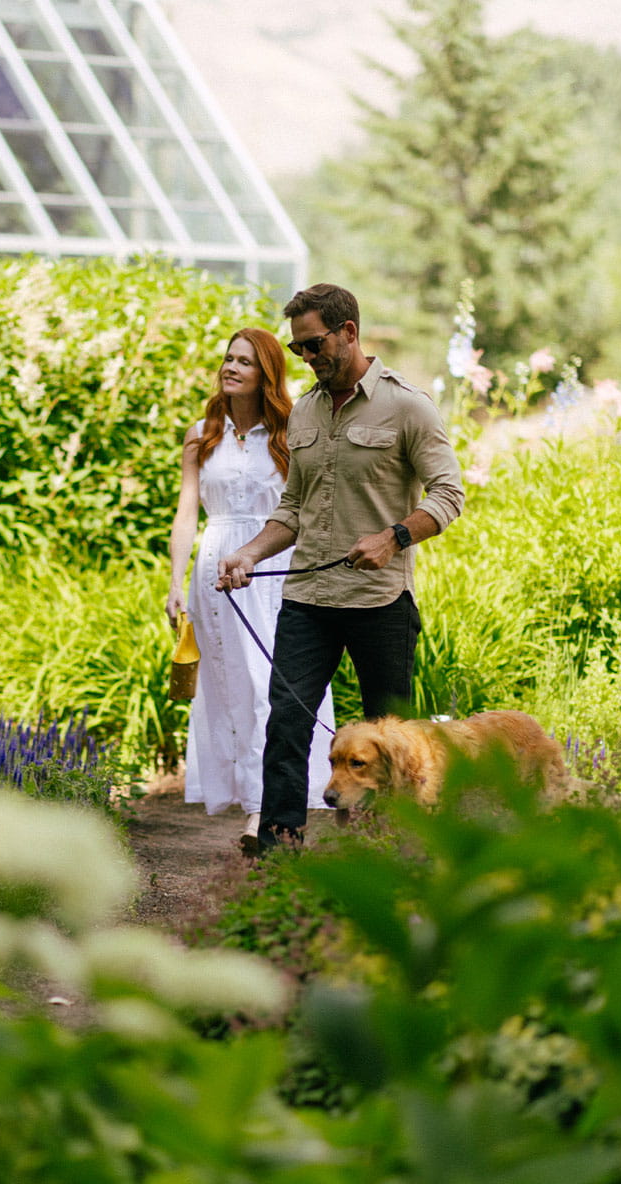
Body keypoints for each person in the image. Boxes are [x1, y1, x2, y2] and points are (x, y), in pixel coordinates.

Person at [217, 284, 464, 851]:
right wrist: (250, 555)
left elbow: (449, 493)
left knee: (394, 741)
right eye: (298, 348)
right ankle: (280, 844)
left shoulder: (408, 405)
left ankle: (388, 845)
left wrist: (393, 537)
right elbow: (293, 510)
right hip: (308, 598)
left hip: (380, 601)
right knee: (285, 722)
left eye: (314, 344)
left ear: (348, 332)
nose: (306, 357)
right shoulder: (303, 412)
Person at [166, 328, 334, 851]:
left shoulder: (290, 430)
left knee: (272, 684)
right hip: (213, 571)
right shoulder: (202, 432)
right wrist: (175, 582)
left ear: (267, 373)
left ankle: (269, 810)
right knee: (228, 689)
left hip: (271, 567)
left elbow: (306, 508)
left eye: (245, 361)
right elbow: (186, 512)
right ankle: (253, 806)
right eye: (228, 359)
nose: (231, 368)